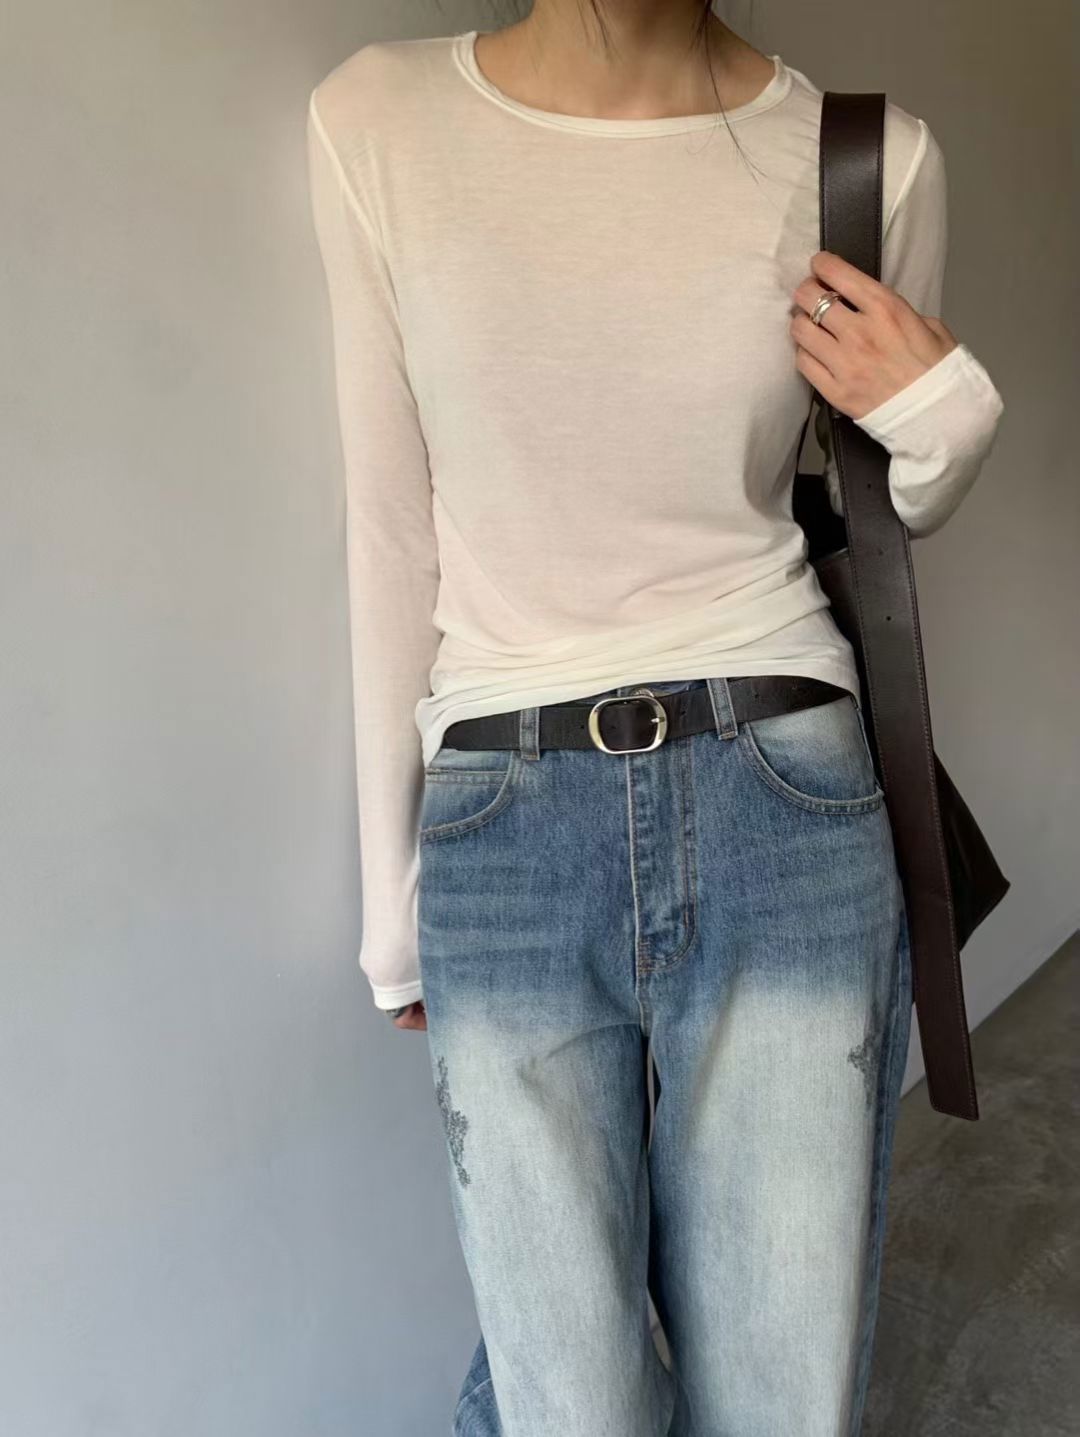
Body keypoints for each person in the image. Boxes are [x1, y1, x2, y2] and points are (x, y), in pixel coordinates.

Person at [305, 4, 1004, 1432]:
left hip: (785, 795)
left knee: (780, 1387)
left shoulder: (869, 159)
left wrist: (949, 413)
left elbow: (879, 501)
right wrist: (393, 896)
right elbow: (390, 531)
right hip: (505, 809)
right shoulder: (378, 120)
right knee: (569, 1396)